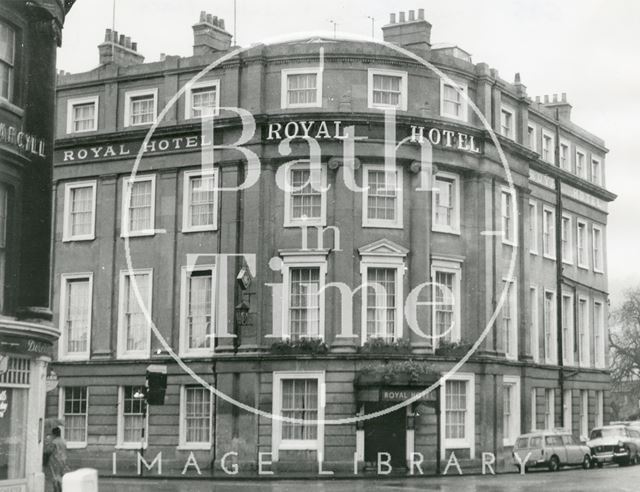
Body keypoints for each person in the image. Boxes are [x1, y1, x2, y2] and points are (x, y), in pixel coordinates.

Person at [43, 427, 68, 492]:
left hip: (55, 461)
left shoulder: (54, 442)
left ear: (54, 434)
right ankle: (62, 489)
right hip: (63, 460)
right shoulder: (64, 441)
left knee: (55, 477)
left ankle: (57, 490)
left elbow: (49, 451)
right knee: (61, 476)